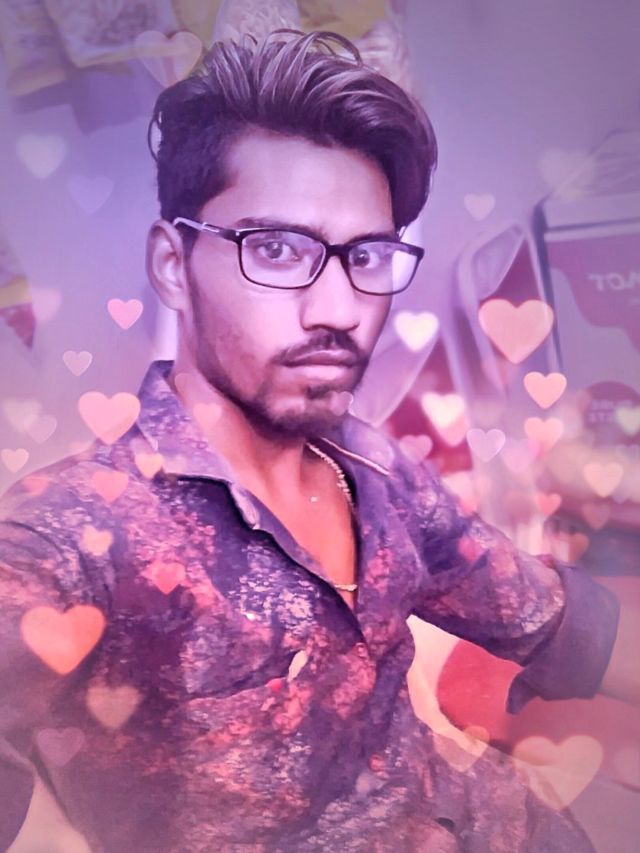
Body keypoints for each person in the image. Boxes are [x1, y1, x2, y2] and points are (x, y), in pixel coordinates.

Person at [0, 30, 631, 853]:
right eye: (275, 248)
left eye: (367, 254)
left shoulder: (378, 471)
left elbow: (559, 620)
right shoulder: (77, 533)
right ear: (172, 264)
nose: (337, 308)